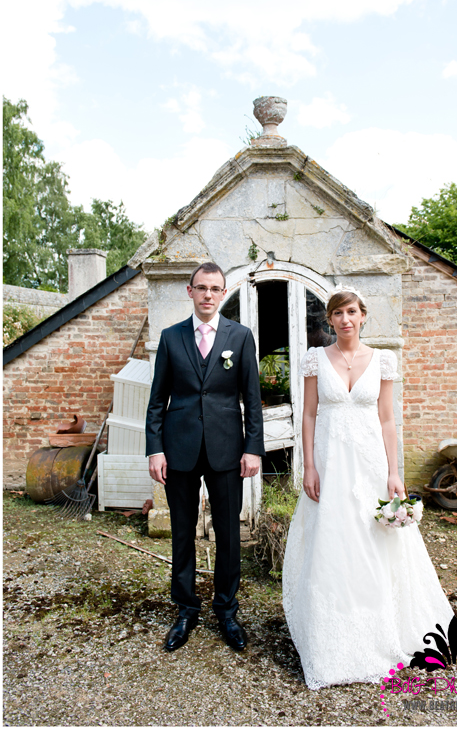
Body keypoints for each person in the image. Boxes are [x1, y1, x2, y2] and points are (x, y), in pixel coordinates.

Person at [282, 285, 454, 689]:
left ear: (362, 316)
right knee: (333, 541)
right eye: (338, 313)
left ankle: (380, 628)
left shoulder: (382, 361)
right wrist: (309, 466)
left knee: (374, 541)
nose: (345, 319)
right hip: (329, 465)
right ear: (330, 319)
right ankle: (332, 637)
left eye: (352, 312)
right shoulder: (315, 359)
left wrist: (395, 472)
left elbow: (387, 419)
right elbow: (308, 415)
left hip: (370, 464)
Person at [146, 262, 265, 652]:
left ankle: (227, 611)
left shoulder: (240, 337)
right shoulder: (171, 337)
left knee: (228, 535)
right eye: (202, 288)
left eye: (215, 289)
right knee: (183, 533)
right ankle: (185, 610)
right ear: (190, 291)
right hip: (178, 449)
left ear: (223, 293)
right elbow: (157, 401)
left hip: (227, 449)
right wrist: (155, 449)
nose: (208, 295)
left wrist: (253, 447)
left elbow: (252, 399)